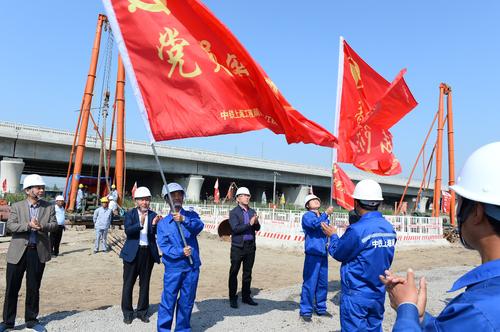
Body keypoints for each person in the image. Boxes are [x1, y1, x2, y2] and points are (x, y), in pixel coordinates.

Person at [381, 142, 500, 331]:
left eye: (459, 202)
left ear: (476, 211)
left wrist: (406, 309)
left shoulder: (479, 311)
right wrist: (417, 317)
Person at [322, 179, 397, 332]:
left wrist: (333, 236)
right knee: (375, 327)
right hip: (377, 291)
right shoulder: (389, 228)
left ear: (356, 203)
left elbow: (339, 252)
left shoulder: (357, 230)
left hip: (357, 293)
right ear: (378, 203)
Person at [0, 174, 58, 331]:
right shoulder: (17, 207)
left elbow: (54, 225)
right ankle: (8, 322)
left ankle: (31, 320)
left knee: (33, 287)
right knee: (12, 287)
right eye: (38, 188)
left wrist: (42, 227)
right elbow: (11, 226)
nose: (41, 190)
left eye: (42, 188)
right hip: (18, 252)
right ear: (28, 190)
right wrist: (28, 225)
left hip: (37, 252)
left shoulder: (49, 206)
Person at [157, 183, 204, 332]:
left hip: (191, 268)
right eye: (173, 195)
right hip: (173, 268)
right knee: (168, 302)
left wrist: (184, 219)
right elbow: (164, 246)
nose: (177, 198)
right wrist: (180, 252)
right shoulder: (163, 224)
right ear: (166, 199)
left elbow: (199, 227)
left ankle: (182, 329)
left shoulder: (191, 215)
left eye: (180, 194)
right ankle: (163, 330)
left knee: (187, 302)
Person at [120, 186, 161, 324]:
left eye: (147, 200)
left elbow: (154, 234)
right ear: (136, 201)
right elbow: (128, 232)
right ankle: (127, 312)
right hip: (132, 253)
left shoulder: (153, 215)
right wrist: (140, 223)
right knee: (128, 284)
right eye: (142, 200)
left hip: (147, 253)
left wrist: (155, 225)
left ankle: (142, 311)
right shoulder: (130, 214)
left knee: (145, 284)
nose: (145, 202)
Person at [299, 194, 334, 321]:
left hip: (323, 253)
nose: (315, 201)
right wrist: (326, 213)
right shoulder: (307, 216)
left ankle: (321, 308)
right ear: (307, 205)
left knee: (322, 283)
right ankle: (306, 310)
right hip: (313, 254)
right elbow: (314, 224)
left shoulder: (323, 217)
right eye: (312, 200)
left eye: (317, 199)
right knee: (310, 282)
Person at [228, 187, 261, 308]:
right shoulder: (234, 213)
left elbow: (257, 228)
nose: (247, 197)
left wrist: (256, 223)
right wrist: (250, 224)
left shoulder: (252, 211)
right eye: (243, 195)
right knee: (234, 272)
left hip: (250, 247)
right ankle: (233, 297)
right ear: (237, 198)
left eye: (248, 195)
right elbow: (235, 229)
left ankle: (246, 296)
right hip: (238, 247)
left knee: (247, 273)